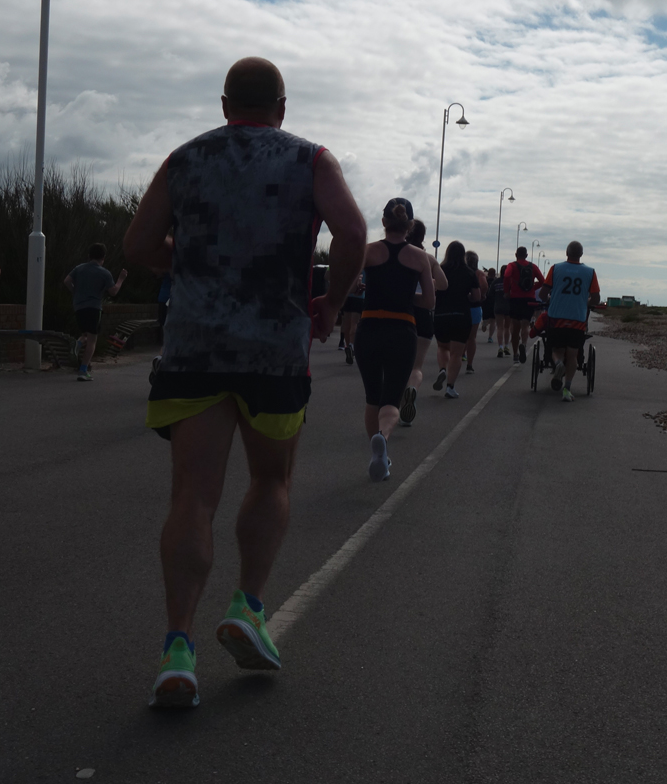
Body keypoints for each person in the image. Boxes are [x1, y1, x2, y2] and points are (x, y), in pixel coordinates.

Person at [123, 56, 367, 708]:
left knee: (192, 498)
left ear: (225, 102)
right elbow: (350, 230)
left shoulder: (185, 159)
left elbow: (139, 243)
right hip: (273, 351)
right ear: (281, 107)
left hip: (194, 348)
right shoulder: (310, 160)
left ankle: (178, 646)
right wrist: (333, 305)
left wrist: (187, 261)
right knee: (271, 480)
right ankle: (249, 606)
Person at [355, 198, 435, 480]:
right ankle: (384, 438)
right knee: (392, 398)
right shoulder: (419, 257)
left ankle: (378, 453)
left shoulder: (368, 251)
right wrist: (402, 296)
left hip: (369, 327)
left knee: (372, 396)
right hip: (402, 329)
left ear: (384, 222)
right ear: (410, 225)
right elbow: (428, 301)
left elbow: (351, 285)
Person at [398, 219, 447, 427]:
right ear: (423, 237)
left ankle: (400, 407)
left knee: (399, 365)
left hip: (402, 312)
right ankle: (414, 389)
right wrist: (429, 283)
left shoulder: (398, 254)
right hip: (424, 314)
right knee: (416, 366)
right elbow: (444, 285)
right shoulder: (428, 258)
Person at [542, 240, 601, 402]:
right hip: (577, 319)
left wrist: (549, 298)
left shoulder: (555, 269)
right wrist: (585, 302)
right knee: (573, 354)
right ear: (581, 254)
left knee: (557, 349)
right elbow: (596, 298)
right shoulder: (590, 272)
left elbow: (543, 293)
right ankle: (567, 389)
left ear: (566, 253)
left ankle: (558, 363)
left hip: (556, 318)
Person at [63, 243, 127, 381]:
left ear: (88, 256)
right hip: (93, 307)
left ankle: (78, 343)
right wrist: (121, 279)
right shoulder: (104, 272)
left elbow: (67, 281)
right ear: (103, 257)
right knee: (92, 340)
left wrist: (76, 292)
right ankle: (83, 370)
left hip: (78, 306)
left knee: (85, 334)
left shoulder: (79, 268)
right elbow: (113, 291)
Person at [432, 241, 480, 398]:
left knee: (442, 347)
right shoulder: (469, 273)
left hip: (441, 314)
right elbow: (476, 297)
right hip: (461, 315)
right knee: (457, 354)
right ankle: (450, 387)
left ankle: (442, 370)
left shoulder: (440, 269)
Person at [502, 246, 545, 365]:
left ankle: (515, 354)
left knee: (515, 327)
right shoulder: (533, 266)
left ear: (516, 255)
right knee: (526, 324)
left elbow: (506, 276)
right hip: (529, 299)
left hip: (515, 298)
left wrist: (507, 291)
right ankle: (524, 345)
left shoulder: (512, 265)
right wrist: (532, 288)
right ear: (526, 255)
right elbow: (542, 281)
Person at [463, 250, 488, 374]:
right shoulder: (479, 273)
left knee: (460, 334)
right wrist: (480, 295)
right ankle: (469, 364)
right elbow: (484, 285)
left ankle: (458, 356)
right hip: (475, 307)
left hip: (461, 306)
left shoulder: (461, 271)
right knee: (472, 337)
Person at [341, 271, 366, 364]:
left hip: (347, 296)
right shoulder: (364, 267)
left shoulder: (350, 265)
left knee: (346, 324)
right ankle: (351, 345)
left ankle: (347, 346)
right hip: (359, 298)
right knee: (354, 323)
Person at [491, 265, 510, 357]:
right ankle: (506, 346)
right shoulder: (511, 282)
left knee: (500, 327)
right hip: (509, 307)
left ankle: (500, 347)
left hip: (498, 306)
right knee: (507, 327)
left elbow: (490, 294)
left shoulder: (495, 282)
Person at [481, 267, 497, 343]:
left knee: (486, 317)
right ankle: (490, 337)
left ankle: (484, 323)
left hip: (485, 302)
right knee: (493, 321)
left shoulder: (485, 281)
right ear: (494, 274)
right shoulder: (496, 282)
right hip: (494, 302)